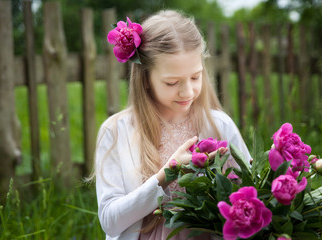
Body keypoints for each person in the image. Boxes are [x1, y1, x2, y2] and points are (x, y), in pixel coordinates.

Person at [94, 9, 252, 240]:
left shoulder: (219, 126)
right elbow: (110, 220)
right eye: (172, 82)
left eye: (196, 77)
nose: (187, 91)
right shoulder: (116, 131)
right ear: (146, 79)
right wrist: (166, 175)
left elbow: (250, 193)